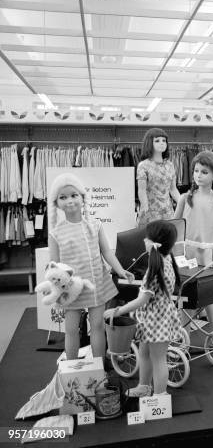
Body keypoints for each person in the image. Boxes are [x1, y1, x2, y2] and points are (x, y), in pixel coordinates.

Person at [47, 173, 134, 361]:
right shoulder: (55, 233)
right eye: (63, 197)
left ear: (82, 197)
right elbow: (54, 267)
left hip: (97, 283)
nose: (69, 201)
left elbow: (107, 252)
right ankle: (71, 369)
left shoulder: (95, 225)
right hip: (70, 289)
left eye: (73, 195)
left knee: (97, 327)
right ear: (56, 203)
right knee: (71, 330)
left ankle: (99, 368)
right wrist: (56, 289)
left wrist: (120, 270)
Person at [104, 220, 182, 397]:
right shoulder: (167, 259)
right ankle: (144, 386)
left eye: (146, 238)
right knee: (145, 353)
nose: (144, 241)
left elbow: (141, 300)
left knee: (158, 359)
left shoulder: (154, 269)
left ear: (153, 243)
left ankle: (160, 396)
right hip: (156, 318)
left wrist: (117, 311)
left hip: (156, 320)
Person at [174, 151, 213, 332]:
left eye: (204, 172)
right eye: (196, 171)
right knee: (186, 296)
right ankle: (185, 334)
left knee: (210, 295)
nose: (198, 175)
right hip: (188, 254)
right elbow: (175, 226)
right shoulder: (185, 198)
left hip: (210, 255)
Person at [136, 128, 180, 227]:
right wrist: (144, 207)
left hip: (168, 212)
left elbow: (173, 189)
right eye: (157, 140)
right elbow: (141, 190)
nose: (162, 143)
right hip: (150, 212)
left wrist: (182, 202)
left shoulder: (170, 165)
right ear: (149, 143)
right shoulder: (143, 165)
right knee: (150, 240)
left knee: (167, 240)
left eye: (164, 141)